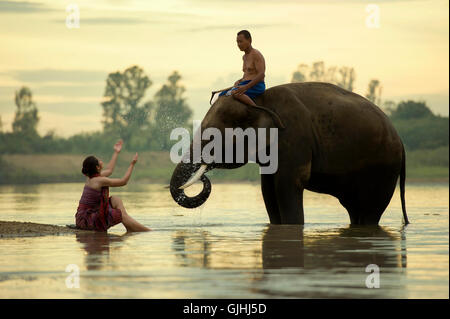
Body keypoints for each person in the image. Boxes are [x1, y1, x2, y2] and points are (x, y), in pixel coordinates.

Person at [75, 139, 150, 232]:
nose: (101, 161)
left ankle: (129, 226)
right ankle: (147, 231)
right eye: (99, 161)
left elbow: (110, 170)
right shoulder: (99, 181)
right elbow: (123, 181)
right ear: (97, 167)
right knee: (120, 214)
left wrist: (116, 152)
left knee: (115, 199)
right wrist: (132, 164)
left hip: (84, 217)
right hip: (87, 220)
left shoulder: (92, 178)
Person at [219, 30, 266, 106]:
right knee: (222, 95)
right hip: (245, 83)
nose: (239, 44)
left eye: (241, 41)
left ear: (249, 40)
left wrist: (245, 87)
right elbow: (248, 74)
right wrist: (239, 81)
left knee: (235, 93)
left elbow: (261, 75)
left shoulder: (256, 54)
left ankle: (255, 110)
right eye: (237, 42)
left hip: (257, 86)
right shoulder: (244, 57)